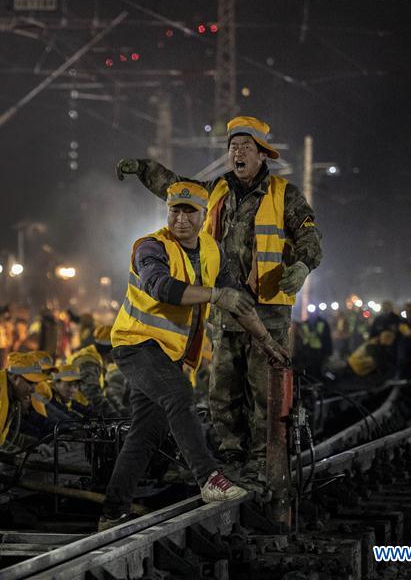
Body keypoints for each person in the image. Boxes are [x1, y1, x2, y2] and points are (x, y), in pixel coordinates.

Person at [116, 116, 321, 481]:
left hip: (268, 309)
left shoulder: (284, 194)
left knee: (263, 389)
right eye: (233, 147)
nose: (237, 152)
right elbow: (176, 188)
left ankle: (263, 461)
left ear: (262, 155)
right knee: (223, 390)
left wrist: (303, 266)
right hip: (224, 308)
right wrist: (144, 169)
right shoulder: (217, 191)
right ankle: (231, 457)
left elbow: (310, 236)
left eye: (246, 147)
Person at [99, 182, 289, 530]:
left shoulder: (211, 251)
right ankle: (209, 479)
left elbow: (238, 302)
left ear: (204, 216)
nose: (181, 219)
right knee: (180, 397)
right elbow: (160, 287)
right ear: (167, 212)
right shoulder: (150, 247)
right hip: (135, 344)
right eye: (175, 210)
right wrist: (217, 295)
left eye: (190, 212)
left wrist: (265, 342)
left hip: (167, 354)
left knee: (145, 434)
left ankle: (112, 513)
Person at [294, 310, 333, 379]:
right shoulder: (305, 323)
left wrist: (328, 351)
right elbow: (300, 337)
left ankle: (317, 381)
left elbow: (327, 338)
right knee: (309, 368)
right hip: (307, 350)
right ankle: (311, 381)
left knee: (317, 367)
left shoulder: (323, 323)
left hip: (319, 350)